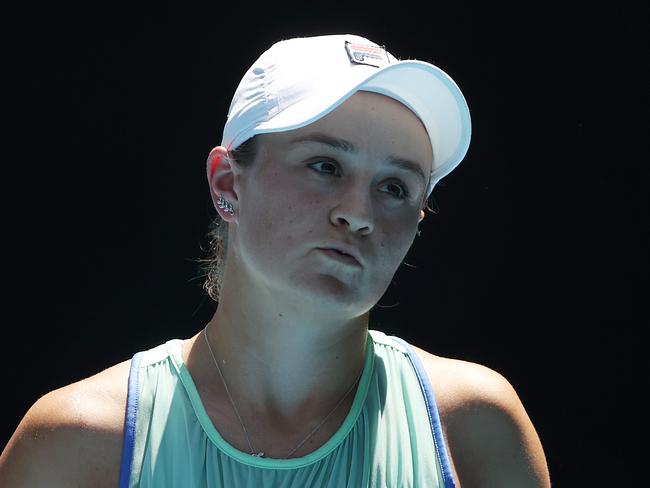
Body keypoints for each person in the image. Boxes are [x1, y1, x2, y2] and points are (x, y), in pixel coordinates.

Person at [0, 34, 551, 487]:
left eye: (395, 187)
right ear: (226, 182)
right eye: (325, 166)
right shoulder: (75, 444)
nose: (359, 214)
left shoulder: (477, 428)